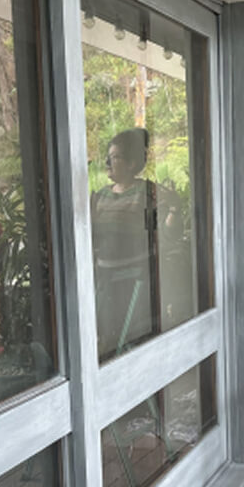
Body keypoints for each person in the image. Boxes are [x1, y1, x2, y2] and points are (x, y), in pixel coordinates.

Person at [90, 128, 183, 358]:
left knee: (127, 342)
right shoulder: (99, 196)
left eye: (113, 158)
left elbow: (165, 231)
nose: (107, 163)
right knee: (105, 341)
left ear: (131, 163)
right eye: (107, 157)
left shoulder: (145, 192)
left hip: (134, 281)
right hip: (103, 280)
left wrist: (173, 208)